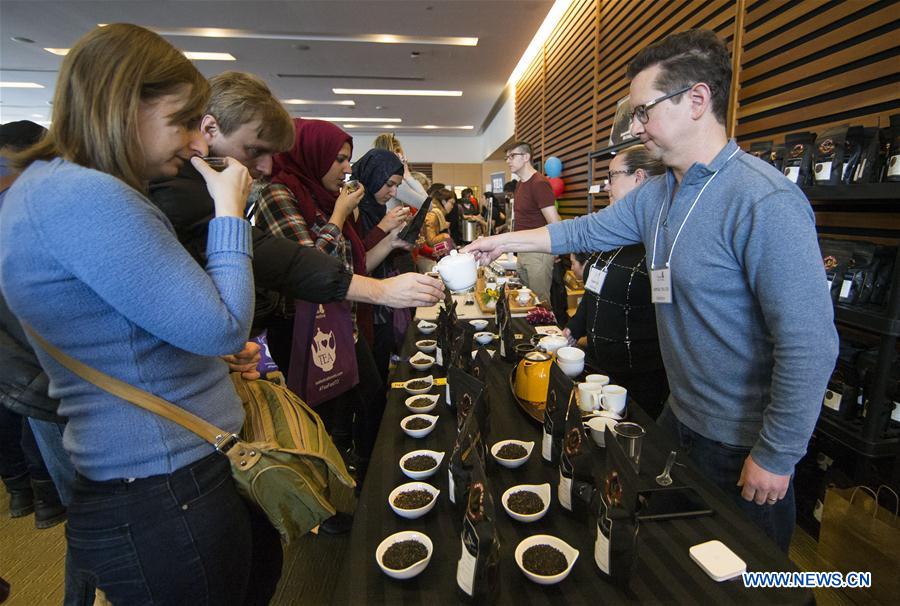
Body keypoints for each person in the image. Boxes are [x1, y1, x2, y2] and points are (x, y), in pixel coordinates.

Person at [464, 29, 839, 553]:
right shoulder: (659, 193)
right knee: (679, 558)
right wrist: (499, 240)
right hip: (678, 416)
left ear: (697, 100)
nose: (636, 127)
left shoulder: (763, 200)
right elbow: (581, 231)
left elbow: (810, 342)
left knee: (754, 579)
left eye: (644, 111)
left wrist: (777, 452)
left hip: (740, 438)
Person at [0, 23, 271, 604]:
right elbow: (221, 323)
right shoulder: (88, 197)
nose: (196, 145)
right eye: (179, 121)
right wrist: (230, 214)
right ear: (127, 105)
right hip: (164, 486)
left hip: (150, 479)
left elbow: (122, 329)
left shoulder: (48, 191)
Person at [149, 72, 438, 342]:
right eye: (254, 151)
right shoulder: (182, 193)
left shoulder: (196, 190)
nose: (265, 167)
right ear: (209, 128)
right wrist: (379, 289)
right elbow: (275, 275)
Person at [564, 144, 668, 419]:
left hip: (638, 382)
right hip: (600, 369)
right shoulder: (612, 235)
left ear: (640, 179)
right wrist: (572, 329)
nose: (607, 186)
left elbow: (667, 312)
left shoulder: (659, 244)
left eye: (612, 176)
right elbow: (593, 291)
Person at [351, 148, 412, 384]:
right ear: (373, 176)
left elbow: (379, 252)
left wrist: (397, 243)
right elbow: (358, 260)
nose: (393, 192)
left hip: (381, 304)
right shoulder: (352, 210)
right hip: (363, 307)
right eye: (388, 184)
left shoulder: (375, 209)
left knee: (380, 368)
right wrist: (384, 228)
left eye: (396, 185)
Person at [505, 141, 561, 303]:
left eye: (512, 156)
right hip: (523, 250)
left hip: (538, 252)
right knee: (525, 302)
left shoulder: (539, 183)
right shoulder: (521, 184)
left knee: (540, 302)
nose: (508, 161)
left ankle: (548, 329)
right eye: (507, 157)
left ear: (526, 157)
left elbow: (554, 220)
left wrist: (558, 247)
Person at [372, 132, 429, 210]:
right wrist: (407, 174)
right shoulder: (395, 183)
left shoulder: (375, 176)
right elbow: (427, 205)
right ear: (398, 155)